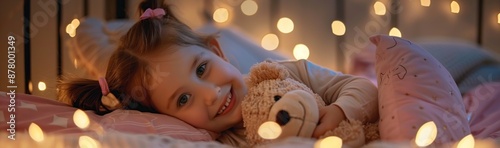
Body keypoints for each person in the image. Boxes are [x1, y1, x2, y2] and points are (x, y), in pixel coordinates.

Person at [57, 0, 378, 146]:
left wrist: (339, 110)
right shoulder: (220, 140)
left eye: (201, 69)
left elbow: (363, 87)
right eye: (183, 99)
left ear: (216, 51)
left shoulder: (284, 72)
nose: (211, 94)